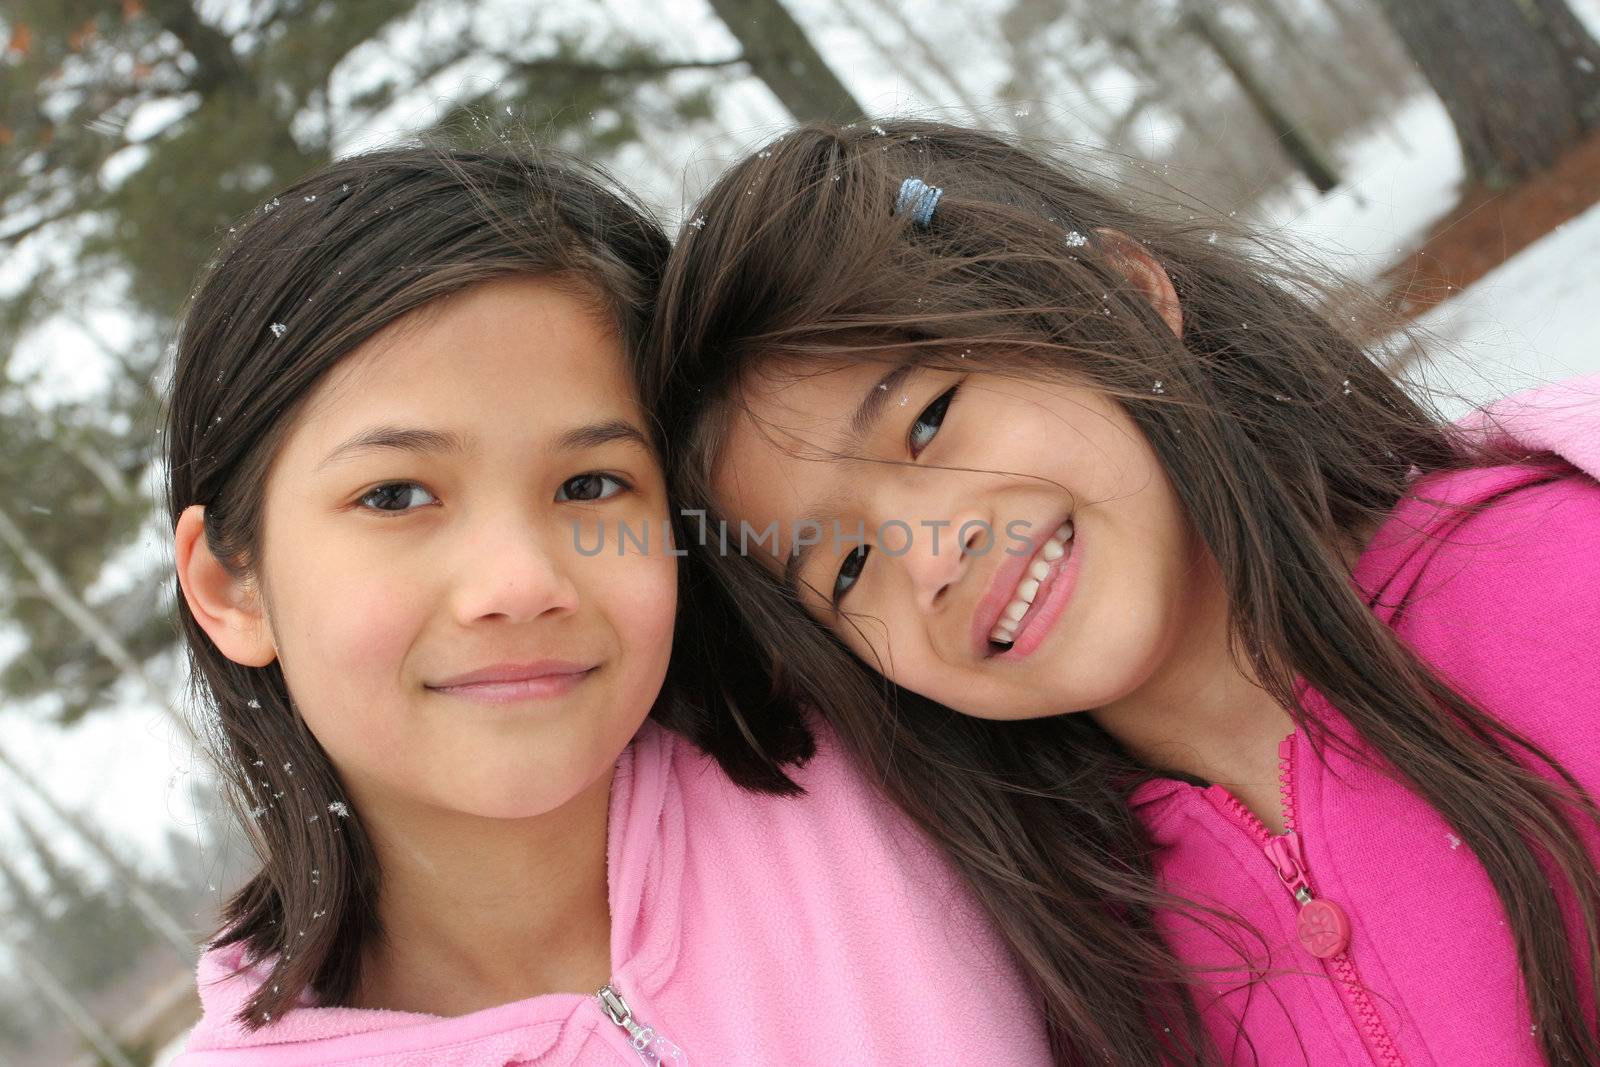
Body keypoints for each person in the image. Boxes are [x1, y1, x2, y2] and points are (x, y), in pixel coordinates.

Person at [644, 119, 1600, 1065]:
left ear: (1126, 297)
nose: (929, 554)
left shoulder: (1558, 573)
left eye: (930, 423)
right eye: (845, 567)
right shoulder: (1068, 959)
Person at [164, 143, 1052, 1065]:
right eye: (395, 495)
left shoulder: (908, 763)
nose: (519, 584)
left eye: (590, 484)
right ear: (231, 586)